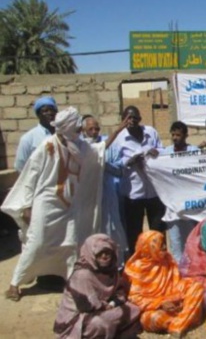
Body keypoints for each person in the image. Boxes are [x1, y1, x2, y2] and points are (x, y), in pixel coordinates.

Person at [2, 107, 125, 302]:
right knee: (37, 241)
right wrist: (26, 205)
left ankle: (71, 283)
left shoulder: (79, 145)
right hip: (47, 203)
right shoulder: (47, 145)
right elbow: (30, 175)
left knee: (70, 244)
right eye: (76, 128)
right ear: (66, 128)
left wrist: (117, 131)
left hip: (69, 204)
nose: (79, 131)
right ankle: (15, 284)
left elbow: (97, 151)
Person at [53, 234, 141, 338]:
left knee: (134, 309)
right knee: (100, 324)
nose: (104, 256)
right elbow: (87, 306)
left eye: (107, 252)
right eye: (100, 253)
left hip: (105, 309)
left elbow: (120, 292)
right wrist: (106, 306)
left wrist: (112, 304)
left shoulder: (111, 271)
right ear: (91, 254)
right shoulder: (82, 275)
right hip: (78, 319)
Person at [124, 231, 204, 337]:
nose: (165, 247)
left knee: (196, 287)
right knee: (152, 318)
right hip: (154, 309)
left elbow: (177, 284)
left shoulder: (167, 259)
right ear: (148, 247)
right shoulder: (137, 268)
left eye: (164, 243)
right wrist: (160, 304)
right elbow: (135, 299)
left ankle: (179, 323)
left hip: (173, 300)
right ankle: (186, 318)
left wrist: (177, 300)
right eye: (161, 245)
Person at [114, 106, 166, 253]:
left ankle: (159, 264)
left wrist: (156, 152)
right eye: (128, 118)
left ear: (140, 119)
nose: (132, 121)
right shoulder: (119, 138)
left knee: (158, 232)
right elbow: (116, 162)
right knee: (134, 233)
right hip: (133, 193)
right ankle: (137, 265)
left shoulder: (150, 132)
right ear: (123, 120)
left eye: (135, 118)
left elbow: (162, 151)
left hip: (154, 191)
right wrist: (130, 162)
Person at [81, 115, 129, 266]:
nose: (94, 132)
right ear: (83, 131)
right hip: (90, 195)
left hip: (108, 192)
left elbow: (120, 169)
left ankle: (116, 264)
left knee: (112, 227)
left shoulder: (108, 146)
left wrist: (104, 166)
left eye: (97, 129)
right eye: (90, 129)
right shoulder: (82, 146)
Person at [161, 121, 199, 263]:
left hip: (190, 204)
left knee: (191, 241)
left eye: (178, 135)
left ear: (185, 136)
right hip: (172, 205)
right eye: (173, 135)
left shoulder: (194, 151)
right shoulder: (165, 153)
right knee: (176, 243)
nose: (175, 138)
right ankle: (178, 276)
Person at [14, 95, 58, 172]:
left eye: (52, 110)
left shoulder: (63, 134)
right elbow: (20, 166)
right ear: (38, 115)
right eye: (45, 111)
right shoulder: (28, 138)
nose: (50, 113)